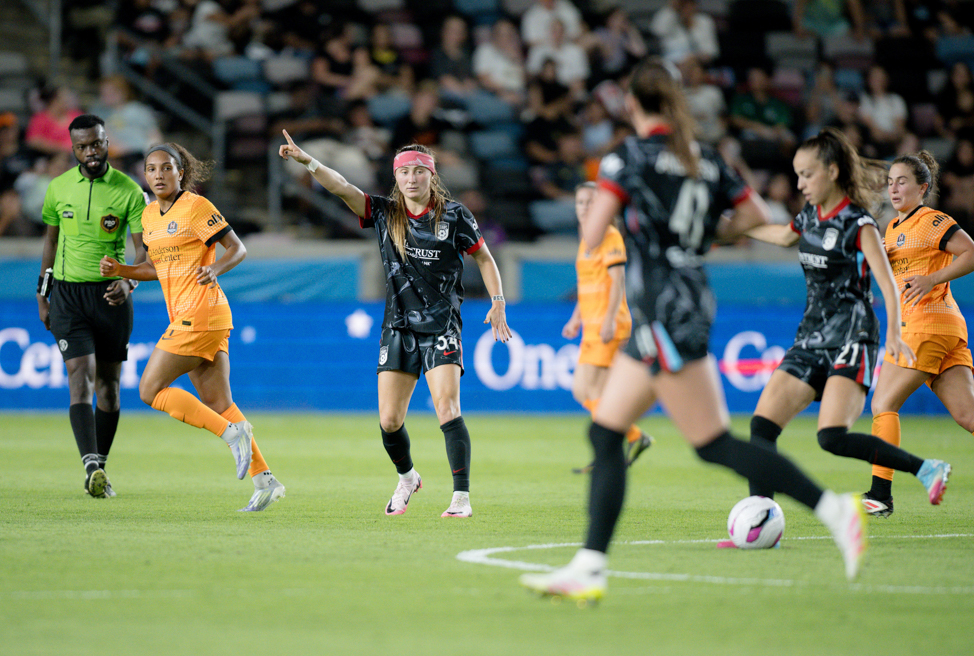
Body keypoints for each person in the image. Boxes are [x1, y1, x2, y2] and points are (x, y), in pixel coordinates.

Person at [520, 59, 870, 603]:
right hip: (688, 298)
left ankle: (832, 509)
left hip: (660, 306)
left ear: (631, 104)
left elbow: (592, 234)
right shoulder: (705, 158)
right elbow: (753, 214)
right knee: (606, 433)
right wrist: (699, 235)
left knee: (711, 444)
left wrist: (644, 226)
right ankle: (589, 567)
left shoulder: (627, 157)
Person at [279, 130, 512, 519]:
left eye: (419, 171)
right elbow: (342, 188)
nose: (411, 179)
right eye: (404, 172)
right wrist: (309, 162)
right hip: (398, 327)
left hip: (441, 326)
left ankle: (461, 497)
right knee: (389, 421)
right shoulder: (386, 213)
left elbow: (485, 258)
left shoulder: (455, 215)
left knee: (447, 407)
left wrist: (498, 301)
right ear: (396, 177)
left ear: (431, 176)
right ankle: (408, 477)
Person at [734, 128, 952, 528]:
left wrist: (894, 334)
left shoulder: (859, 223)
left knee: (831, 438)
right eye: (797, 175)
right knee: (761, 427)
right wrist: (734, 227)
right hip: (812, 335)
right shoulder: (809, 214)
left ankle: (926, 469)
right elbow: (782, 236)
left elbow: (886, 282)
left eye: (807, 174)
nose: (800, 184)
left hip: (854, 336)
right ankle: (758, 521)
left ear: (832, 172)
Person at [98, 143, 285, 512]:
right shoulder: (149, 216)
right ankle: (265, 481)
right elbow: (156, 268)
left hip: (200, 312)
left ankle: (231, 433)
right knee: (219, 403)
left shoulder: (196, 206)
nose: (158, 175)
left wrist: (214, 268)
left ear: (180, 172)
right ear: (145, 175)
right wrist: (122, 270)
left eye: (166, 168)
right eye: (151, 169)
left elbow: (237, 248)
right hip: (200, 317)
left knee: (150, 389)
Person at [862, 151, 974, 526]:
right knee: (971, 416)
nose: (894, 188)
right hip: (945, 330)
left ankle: (880, 496)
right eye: (890, 182)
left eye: (903, 181)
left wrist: (932, 279)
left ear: (923, 187)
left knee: (883, 403)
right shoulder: (892, 229)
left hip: (926, 326)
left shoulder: (932, 221)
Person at [36, 114, 146, 497]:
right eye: (82, 147)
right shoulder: (58, 188)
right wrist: (43, 293)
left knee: (109, 389)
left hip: (110, 297)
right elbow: (51, 243)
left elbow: (144, 252)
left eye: (96, 144)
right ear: (73, 148)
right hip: (68, 296)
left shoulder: (130, 192)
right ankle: (91, 467)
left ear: (106, 142)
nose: (91, 152)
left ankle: (100, 465)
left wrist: (128, 281)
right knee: (79, 375)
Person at [562, 182, 653, 474]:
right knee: (585, 391)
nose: (584, 208)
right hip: (592, 324)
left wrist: (610, 318)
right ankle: (632, 437)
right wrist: (576, 318)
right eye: (580, 202)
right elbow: (587, 283)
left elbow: (617, 280)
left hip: (607, 322)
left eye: (591, 202)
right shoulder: (586, 239)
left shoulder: (609, 235)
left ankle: (611, 452)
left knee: (592, 389)